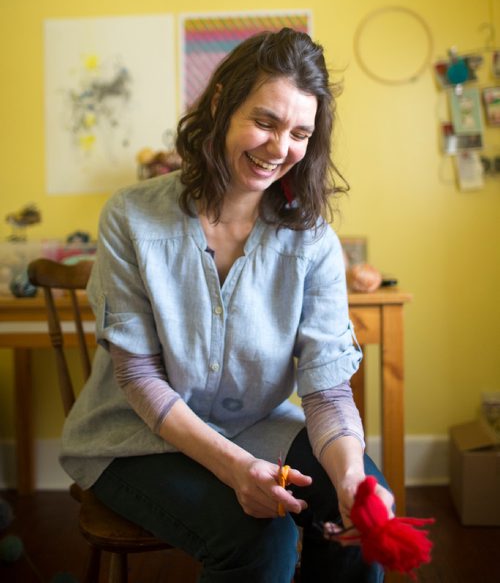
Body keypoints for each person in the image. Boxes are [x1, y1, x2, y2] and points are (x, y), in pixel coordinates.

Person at [60, 28, 394, 583]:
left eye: (299, 133)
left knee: (356, 509)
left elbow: (326, 390)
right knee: (258, 540)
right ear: (219, 105)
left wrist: (354, 478)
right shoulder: (131, 216)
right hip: (132, 438)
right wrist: (237, 468)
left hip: (254, 424)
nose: (279, 148)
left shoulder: (313, 243)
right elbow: (138, 375)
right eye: (264, 121)